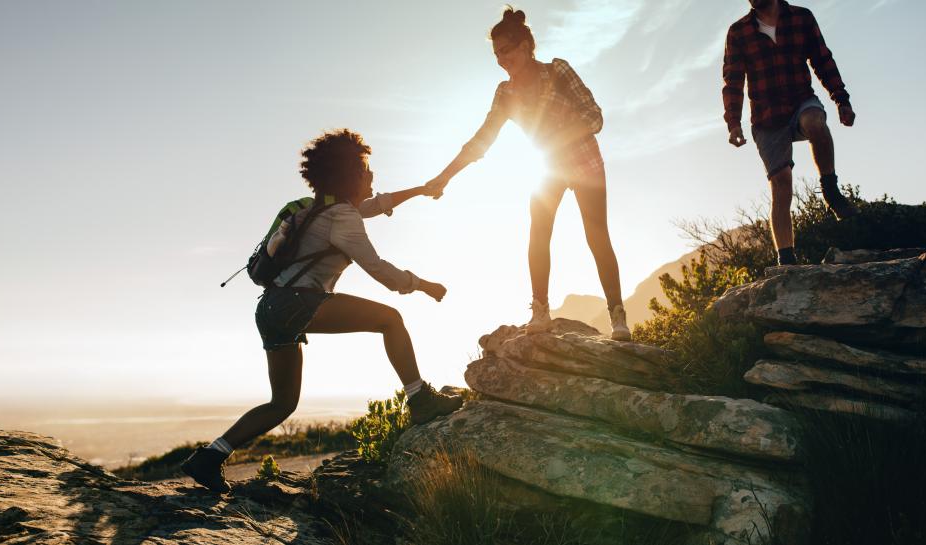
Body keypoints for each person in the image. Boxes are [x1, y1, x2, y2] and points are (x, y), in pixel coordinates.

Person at [181, 129, 463, 493]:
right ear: (351, 177)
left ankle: (209, 457)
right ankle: (420, 398)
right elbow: (379, 270)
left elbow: (375, 205)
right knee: (390, 319)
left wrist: (421, 190)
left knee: (282, 403)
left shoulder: (314, 207)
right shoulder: (342, 217)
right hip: (298, 304)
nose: (372, 177)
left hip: (270, 309)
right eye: (367, 172)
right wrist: (423, 285)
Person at [424, 7, 631, 341]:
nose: (500, 59)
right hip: (546, 167)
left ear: (525, 46)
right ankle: (540, 310)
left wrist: (556, 139)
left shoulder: (557, 70)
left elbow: (594, 116)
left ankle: (618, 316)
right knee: (539, 233)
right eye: (495, 54)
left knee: (596, 235)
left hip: (582, 161)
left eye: (505, 51)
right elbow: (482, 141)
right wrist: (445, 176)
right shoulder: (505, 93)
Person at [723, 0, 859, 266]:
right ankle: (786, 259)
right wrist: (734, 122)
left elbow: (822, 59)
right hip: (767, 118)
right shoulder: (738, 32)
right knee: (781, 183)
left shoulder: (801, 18)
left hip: (800, 101)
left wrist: (841, 99)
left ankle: (830, 190)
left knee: (815, 123)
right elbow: (733, 79)